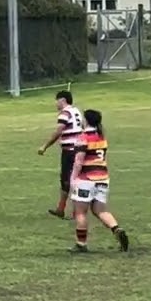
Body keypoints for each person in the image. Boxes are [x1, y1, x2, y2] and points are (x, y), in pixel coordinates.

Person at [68, 109, 129, 253]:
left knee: (80, 212)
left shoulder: (83, 137)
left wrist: (73, 179)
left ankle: (81, 244)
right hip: (102, 178)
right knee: (100, 210)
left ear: (87, 120)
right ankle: (116, 229)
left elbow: (78, 161)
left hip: (86, 179)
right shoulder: (101, 137)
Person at [38, 90, 84, 219]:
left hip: (70, 151)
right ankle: (62, 208)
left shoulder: (65, 113)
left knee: (67, 180)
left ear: (62, 100)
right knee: (75, 179)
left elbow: (58, 131)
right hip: (79, 149)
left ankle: (73, 211)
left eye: (57, 100)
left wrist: (45, 146)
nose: (56, 103)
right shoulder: (76, 111)